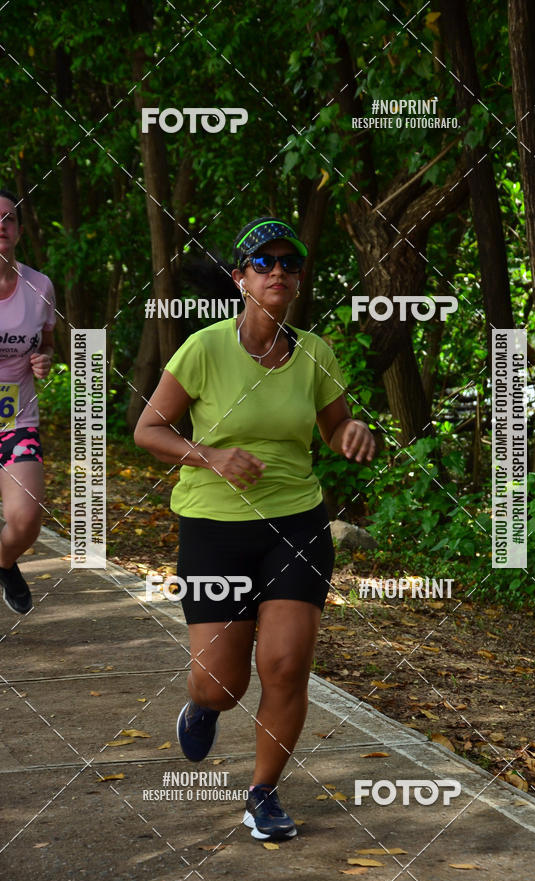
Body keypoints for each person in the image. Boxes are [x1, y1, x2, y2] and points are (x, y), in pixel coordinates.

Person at [134, 216, 375, 841]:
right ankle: (203, 704)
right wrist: (211, 456)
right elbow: (149, 431)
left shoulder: (315, 352)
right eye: (262, 263)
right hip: (215, 527)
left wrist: (350, 432)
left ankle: (262, 794)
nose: (277, 273)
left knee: (288, 664)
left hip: (296, 523)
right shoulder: (205, 348)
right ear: (240, 278)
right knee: (223, 683)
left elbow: (333, 427)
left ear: (297, 279)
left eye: (288, 264)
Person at [0, 189, 55, 615]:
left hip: (14, 419)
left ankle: (4, 563)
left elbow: (47, 343)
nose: (1, 225)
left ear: (18, 230)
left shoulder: (39, 286)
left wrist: (43, 361)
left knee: (26, 519)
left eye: (9, 218)